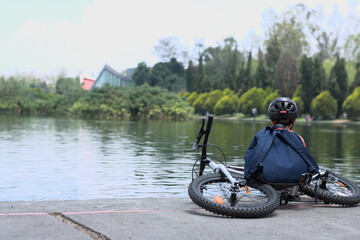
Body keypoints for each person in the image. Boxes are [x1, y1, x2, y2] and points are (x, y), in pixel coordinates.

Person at [244, 97, 319, 184]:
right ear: (293, 120)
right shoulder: (299, 138)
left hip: (267, 181)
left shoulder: (262, 136)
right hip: (295, 182)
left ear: (272, 121)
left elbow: (251, 158)